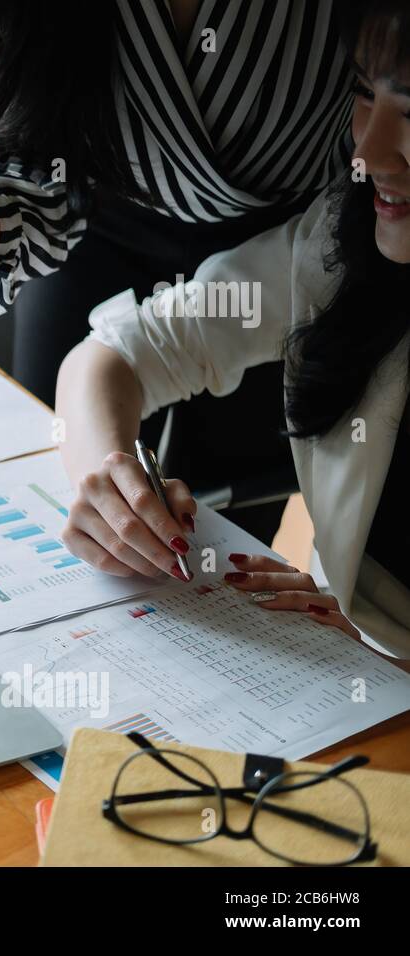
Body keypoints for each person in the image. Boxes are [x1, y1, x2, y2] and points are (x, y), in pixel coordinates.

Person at [0, 0, 354, 542]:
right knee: (56, 515)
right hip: (95, 222)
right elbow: (30, 127)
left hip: (283, 258)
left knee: (219, 545)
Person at [53, 0, 410, 657]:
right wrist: (112, 484)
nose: (367, 148)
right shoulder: (337, 242)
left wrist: (381, 649)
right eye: (363, 92)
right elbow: (116, 356)